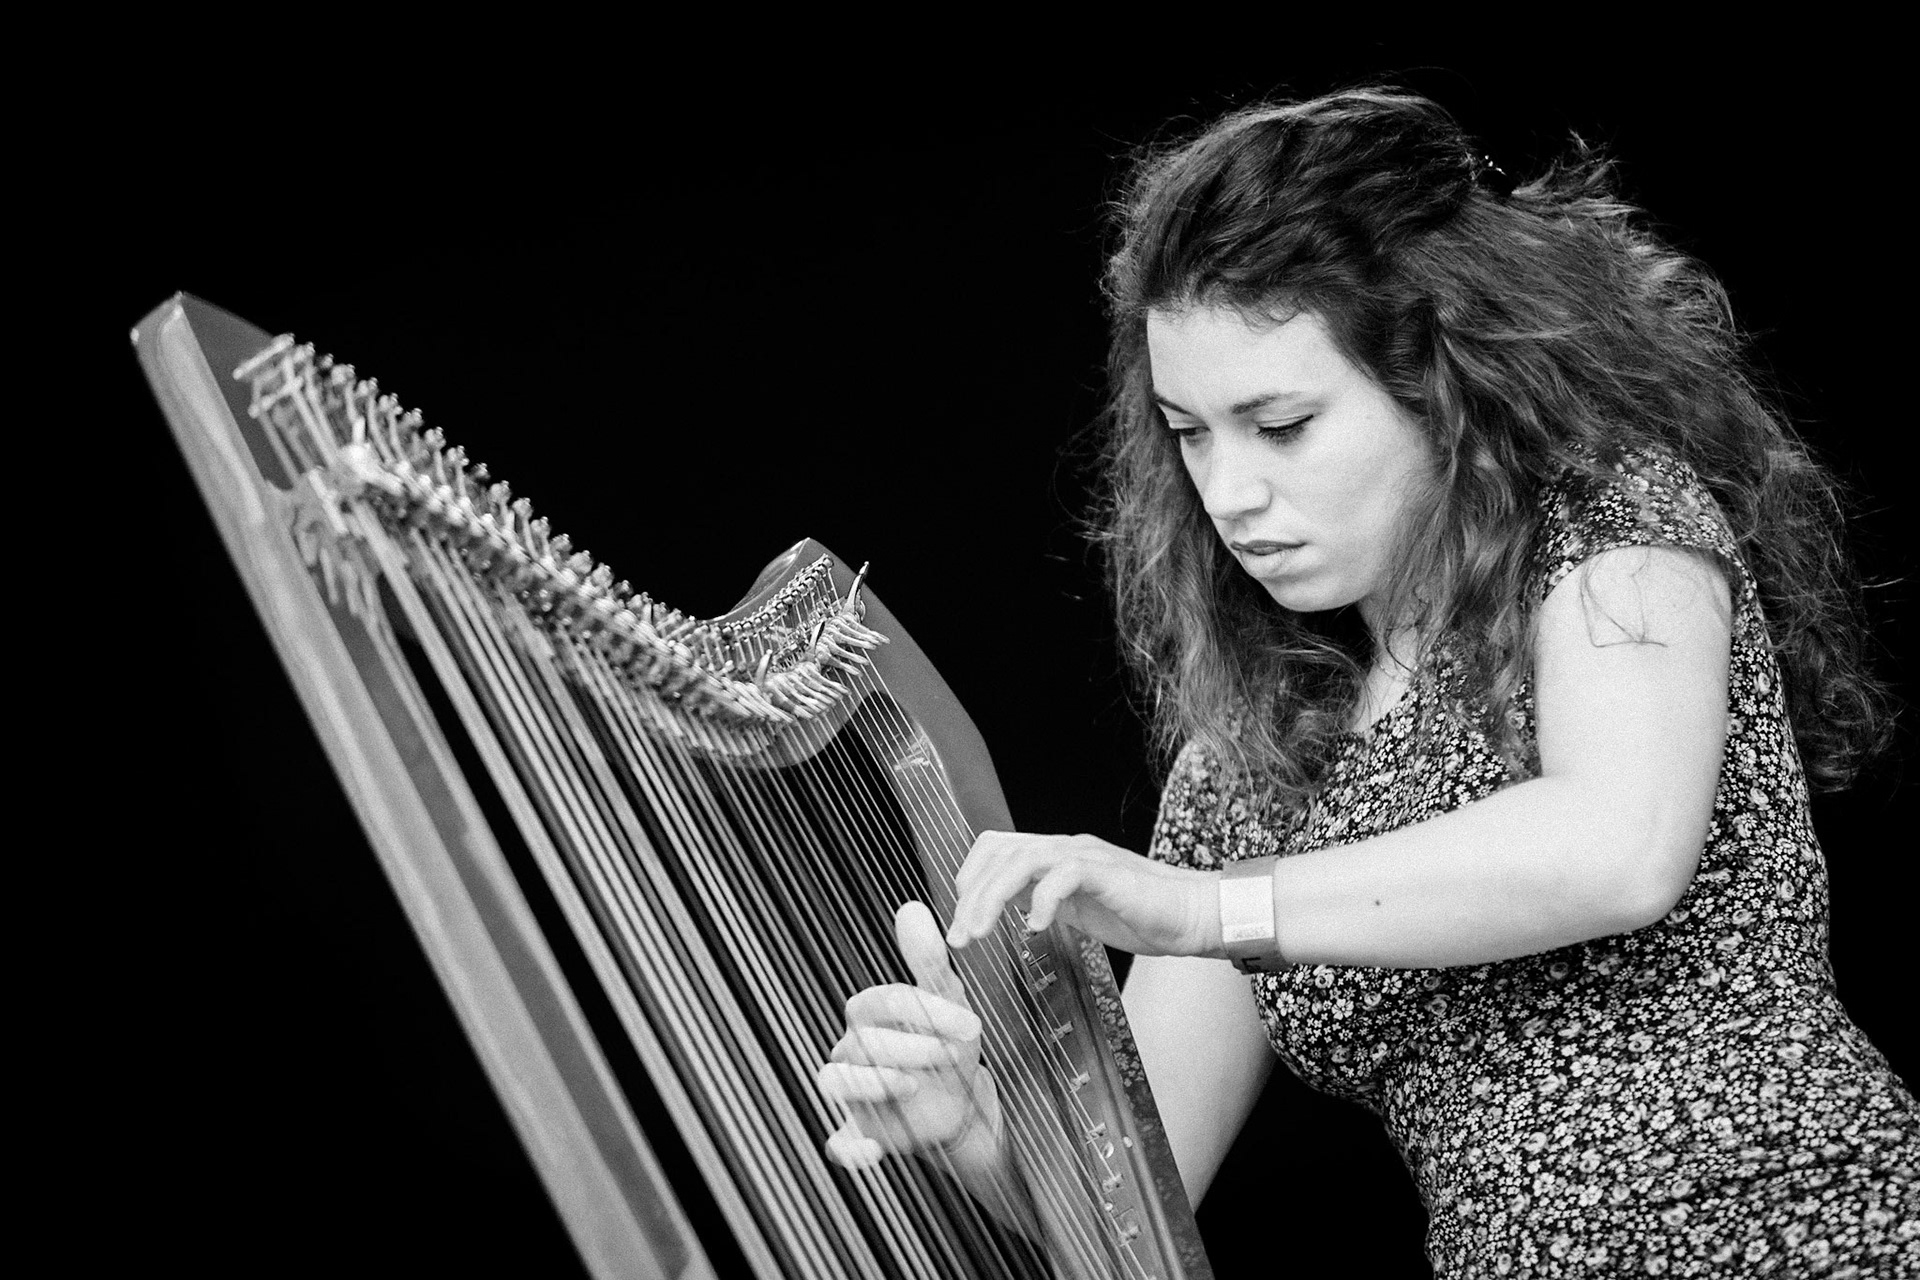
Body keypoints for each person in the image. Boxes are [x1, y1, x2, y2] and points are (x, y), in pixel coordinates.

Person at [815, 88, 1919, 1276]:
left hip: (1808, 1227)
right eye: (1190, 432)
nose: (1228, 493)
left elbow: (1618, 848)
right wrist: (975, 1131)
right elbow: (1133, 1195)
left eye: (1281, 424)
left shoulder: (1612, 523)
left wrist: (1206, 907)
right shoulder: (1252, 763)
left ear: (1442, 380)